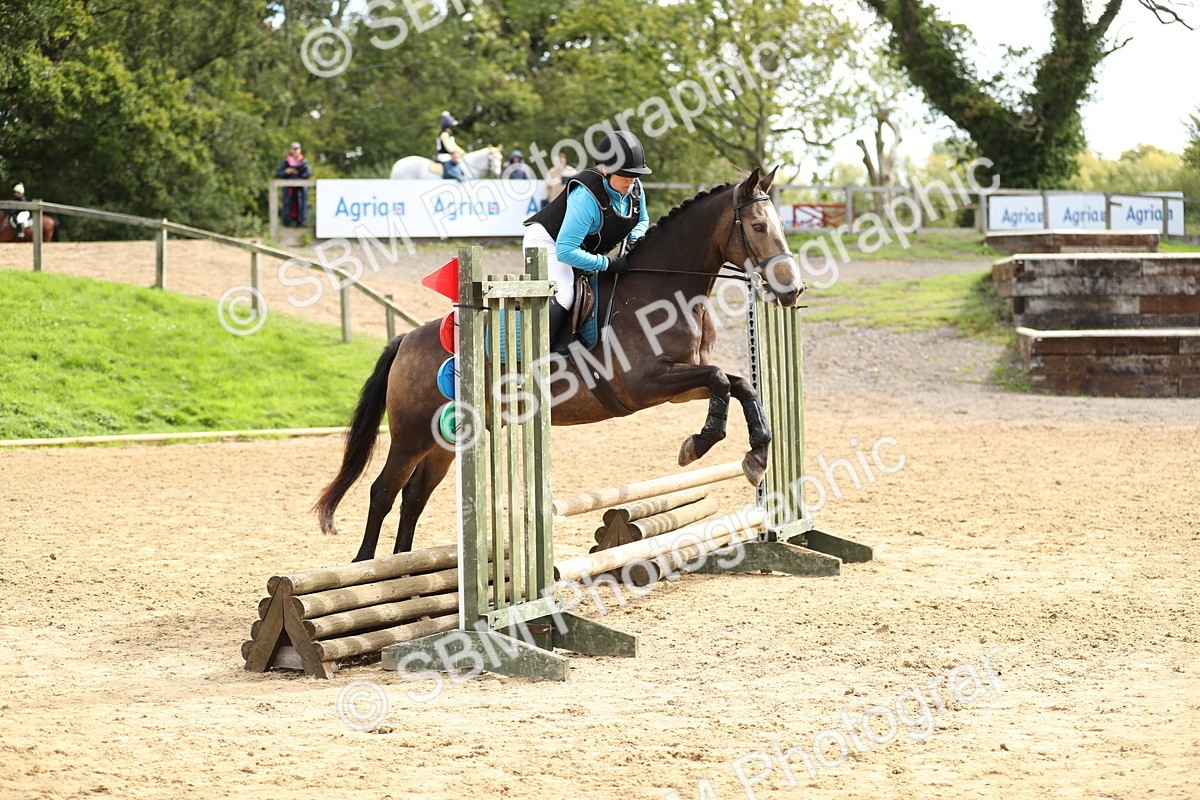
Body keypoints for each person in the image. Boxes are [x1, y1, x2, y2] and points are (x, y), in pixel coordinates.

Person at [523, 130, 652, 351]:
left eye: (636, 174)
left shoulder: (634, 189)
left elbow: (642, 220)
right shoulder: (586, 197)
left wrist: (634, 238)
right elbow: (565, 251)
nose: (631, 180)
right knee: (565, 295)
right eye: (625, 174)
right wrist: (607, 264)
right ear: (608, 170)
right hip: (549, 242)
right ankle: (540, 353)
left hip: (580, 246)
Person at [276, 142, 312, 227]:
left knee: (300, 207)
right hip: (289, 190)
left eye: (297, 149)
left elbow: (308, 173)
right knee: (288, 207)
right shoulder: (286, 162)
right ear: (290, 150)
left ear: (300, 150)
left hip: (300, 190)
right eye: (293, 149)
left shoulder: (304, 162)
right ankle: (286, 225)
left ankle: (299, 225)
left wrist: (297, 173)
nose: (295, 151)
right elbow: (279, 173)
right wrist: (286, 171)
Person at [436, 112, 467, 182]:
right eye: (450, 127)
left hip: (448, 155)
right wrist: (454, 152)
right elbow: (447, 146)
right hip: (444, 155)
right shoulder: (444, 134)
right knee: (450, 163)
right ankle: (456, 176)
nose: (451, 128)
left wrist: (462, 151)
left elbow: (454, 145)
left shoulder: (448, 135)